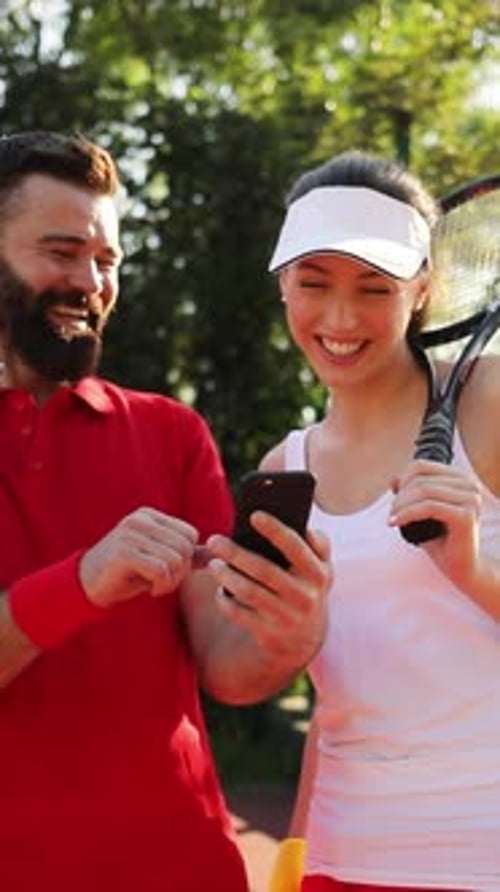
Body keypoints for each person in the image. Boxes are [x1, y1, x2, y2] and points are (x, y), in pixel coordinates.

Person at [0, 130, 331, 892]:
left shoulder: (171, 432)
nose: (91, 280)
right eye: (61, 251)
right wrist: (80, 583)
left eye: (108, 261)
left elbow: (229, 668)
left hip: (186, 869)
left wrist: (291, 632)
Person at [262, 149, 500, 891]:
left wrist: (472, 571)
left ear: (422, 288)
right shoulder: (283, 470)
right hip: (344, 855)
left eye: (374, 287)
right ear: (282, 287)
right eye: (313, 283)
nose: (340, 318)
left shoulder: (490, 403)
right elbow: (336, 698)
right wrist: (295, 859)